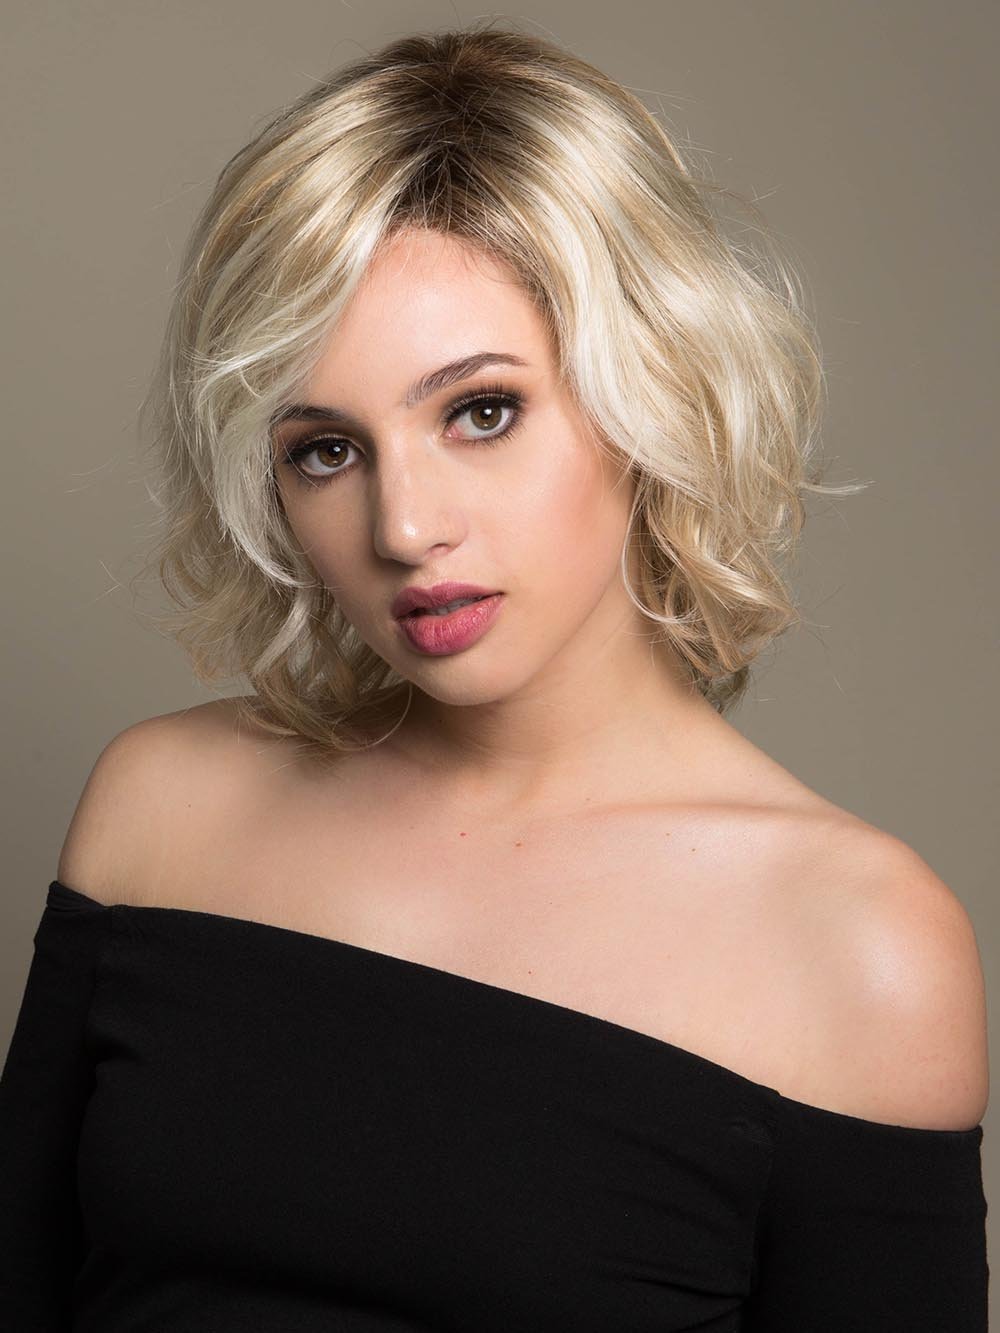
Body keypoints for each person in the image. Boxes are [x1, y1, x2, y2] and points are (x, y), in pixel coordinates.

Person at [0, 22, 988, 1332]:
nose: (406, 527)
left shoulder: (857, 946)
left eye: (481, 411)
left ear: (651, 393)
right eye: (326, 449)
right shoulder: (164, 811)